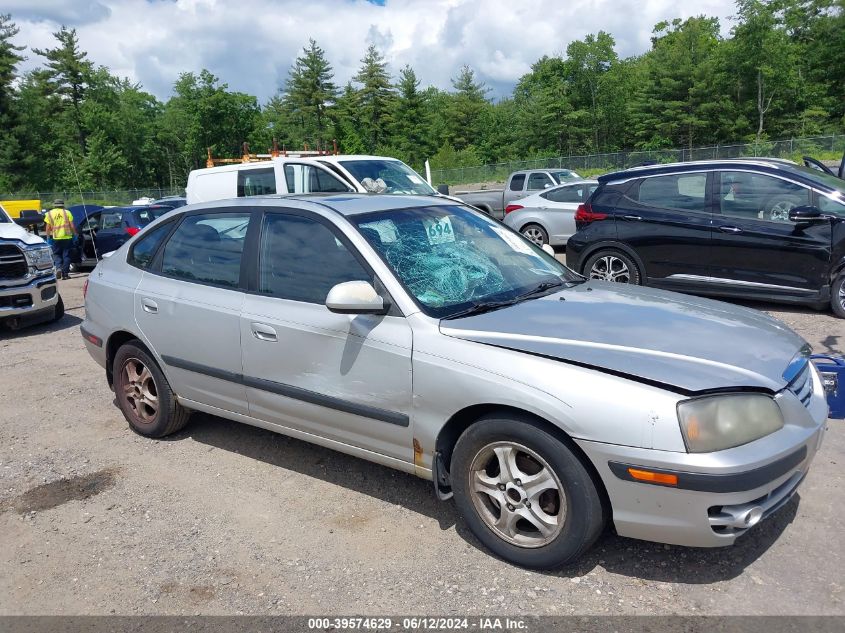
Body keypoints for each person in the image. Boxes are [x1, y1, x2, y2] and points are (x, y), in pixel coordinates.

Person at [43, 199, 78, 280]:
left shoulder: (49, 214)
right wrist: (75, 235)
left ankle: (58, 268)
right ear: (63, 205)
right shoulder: (67, 212)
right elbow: (72, 226)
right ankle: (65, 274)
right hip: (67, 237)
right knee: (67, 255)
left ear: (54, 205)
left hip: (55, 238)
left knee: (56, 254)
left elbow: (48, 227)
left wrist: (48, 237)